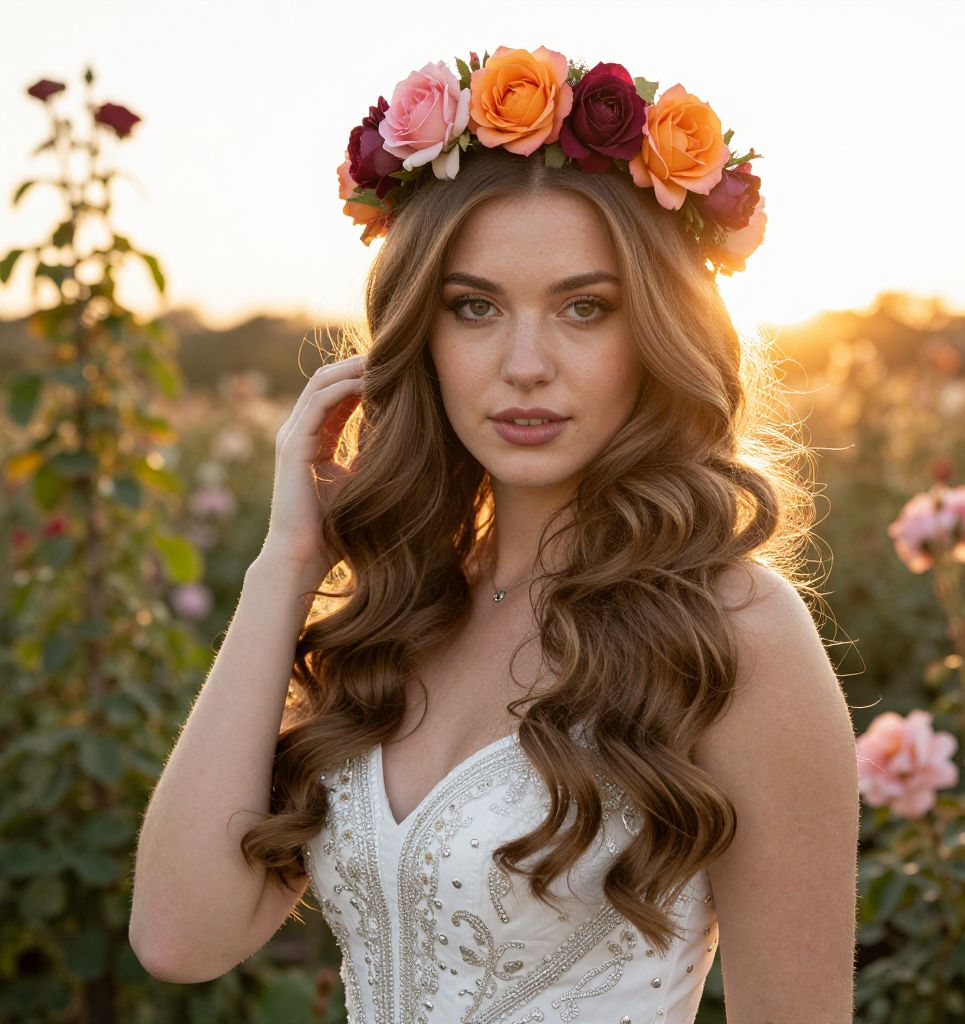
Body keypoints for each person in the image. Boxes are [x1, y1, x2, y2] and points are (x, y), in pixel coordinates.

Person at [129, 46, 860, 1023]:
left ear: (653, 328)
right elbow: (182, 935)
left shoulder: (735, 631)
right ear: (417, 337)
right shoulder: (397, 606)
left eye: (583, 308)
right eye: (473, 307)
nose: (524, 365)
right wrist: (288, 565)